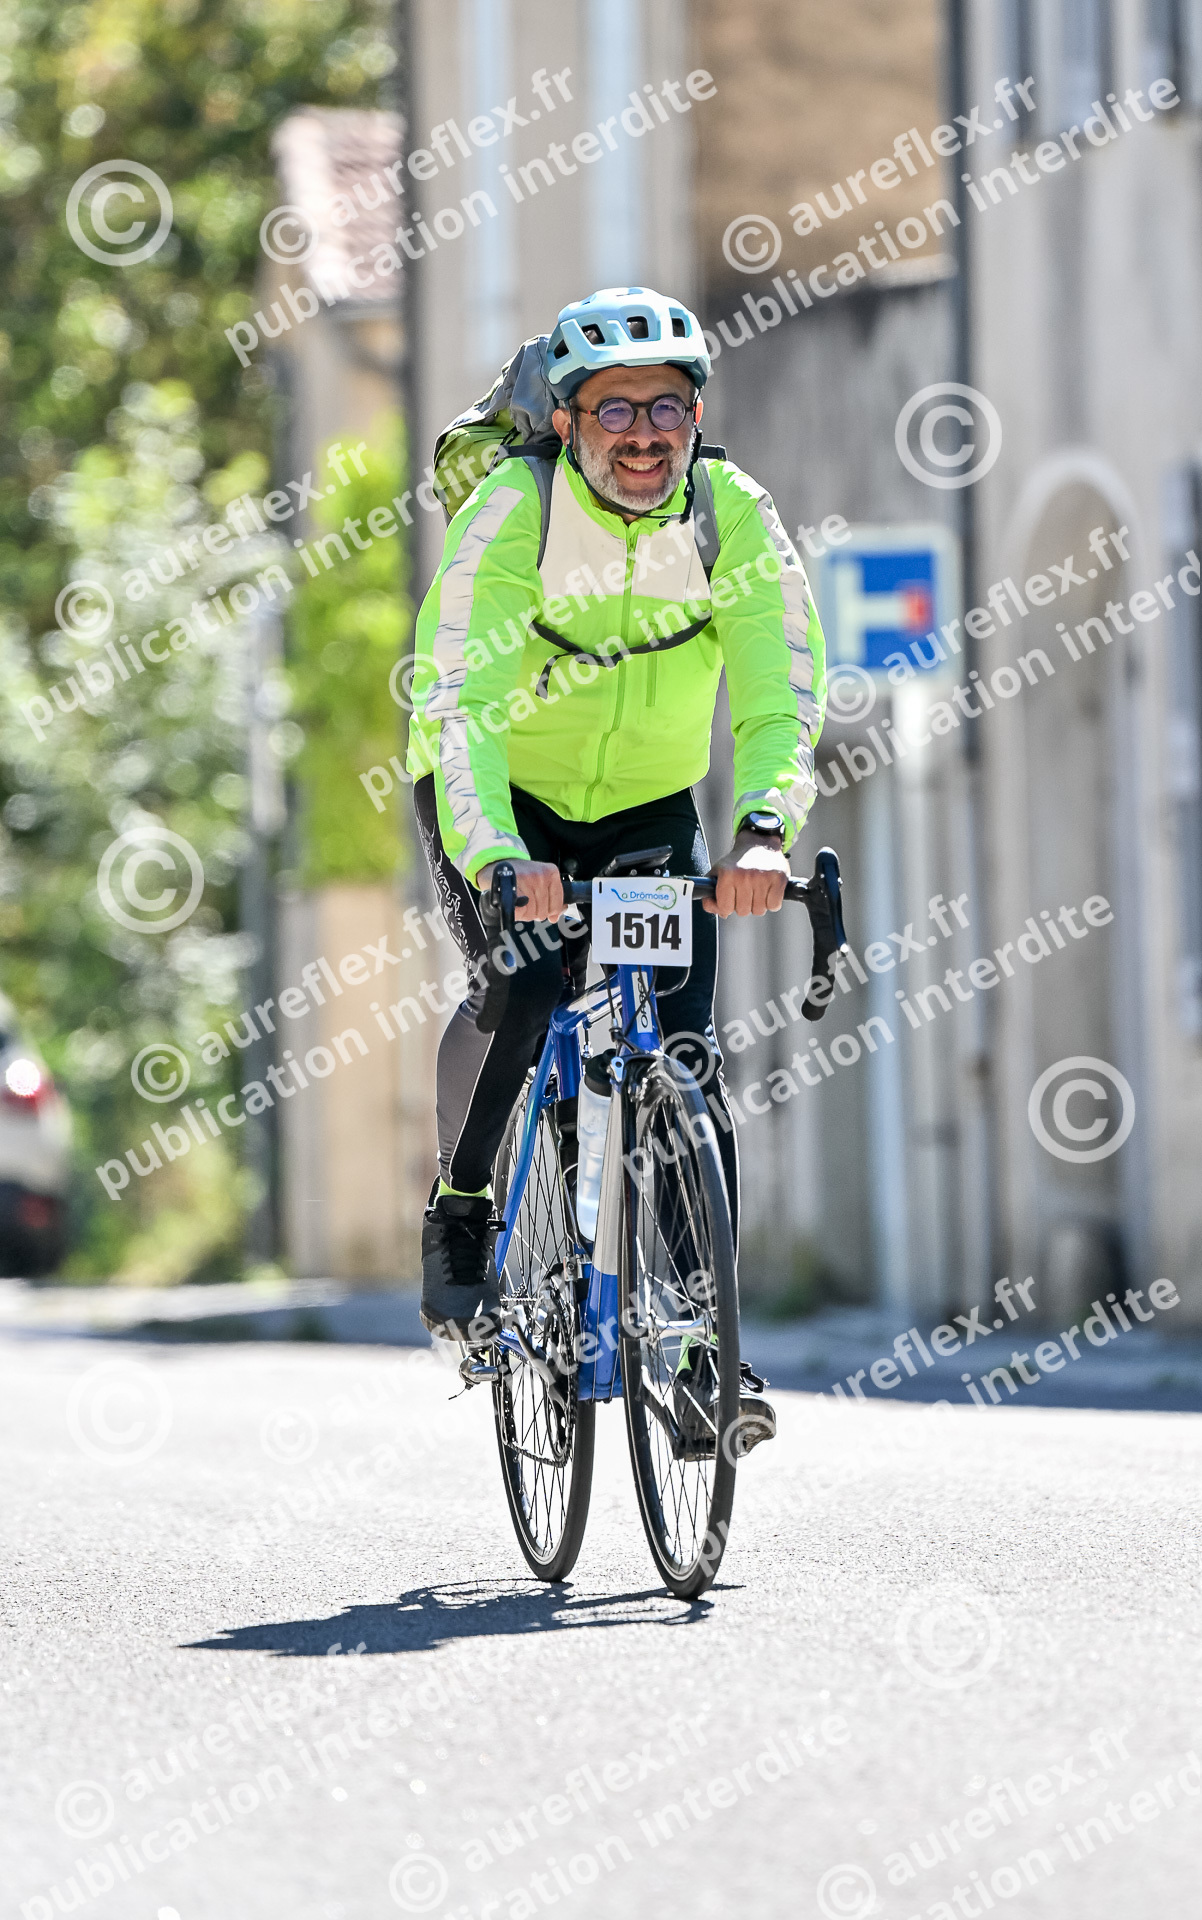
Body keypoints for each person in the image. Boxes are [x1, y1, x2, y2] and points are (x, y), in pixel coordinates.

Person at [407, 286, 826, 1448]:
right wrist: (497, 856)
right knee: (528, 983)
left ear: (696, 418)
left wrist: (762, 830)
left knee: (683, 1057)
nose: (642, 435)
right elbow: (461, 704)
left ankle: (699, 1346)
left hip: (647, 804)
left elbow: (780, 689)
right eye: (613, 411)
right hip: (502, 795)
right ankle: (462, 1207)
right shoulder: (513, 510)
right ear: (565, 422)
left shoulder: (731, 514)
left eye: (665, 408)